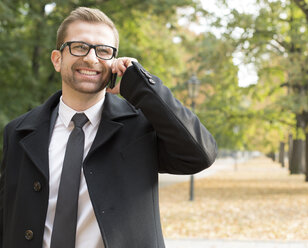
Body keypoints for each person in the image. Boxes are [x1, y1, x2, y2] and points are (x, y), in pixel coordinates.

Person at [0, 7, 217, 248]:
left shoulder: (140, 128)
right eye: (79, 47)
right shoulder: (18, 132)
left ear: (114, 62)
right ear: (57, 59)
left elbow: (200, 155)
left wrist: (142, 85)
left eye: (103, 51)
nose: (91, 58)